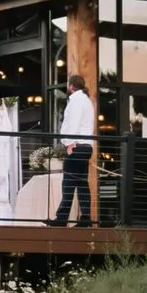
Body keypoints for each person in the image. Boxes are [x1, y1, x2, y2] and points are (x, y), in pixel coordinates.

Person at [52, 74, 96, 226]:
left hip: (76, 146)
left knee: (68, 183)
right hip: (86, 146)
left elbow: (73, 123)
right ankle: (85, 218)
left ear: (71, 86)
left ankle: (62, 218)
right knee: (82, 183)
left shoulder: (76, 101)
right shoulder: (87, 101)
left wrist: (69, 143)